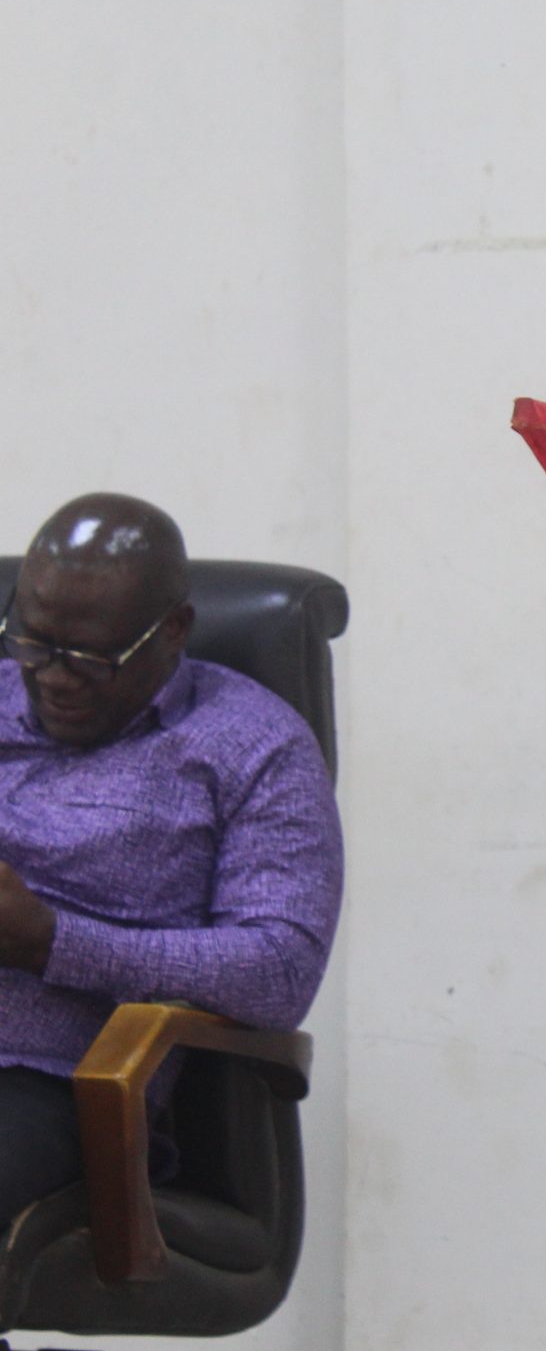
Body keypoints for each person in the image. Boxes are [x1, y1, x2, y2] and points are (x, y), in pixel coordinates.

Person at [0, 494, 343, 1219]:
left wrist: (52, 943)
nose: (54, 676)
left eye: (91, 656)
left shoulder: (252, 746)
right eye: (32, 642)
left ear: (174, 629)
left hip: (48, 1083)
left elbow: (278, 969)